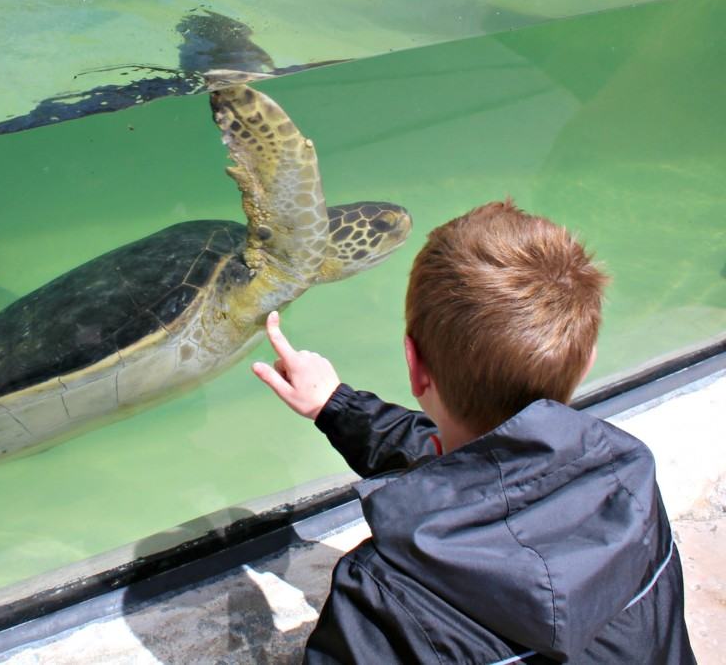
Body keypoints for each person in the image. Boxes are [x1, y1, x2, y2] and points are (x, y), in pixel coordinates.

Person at [252, 200, 695, 664]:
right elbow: (474, 464)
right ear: (587, 360)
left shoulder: (389, 599)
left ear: (414, 365)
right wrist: (336, 405)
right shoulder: (630, 490)